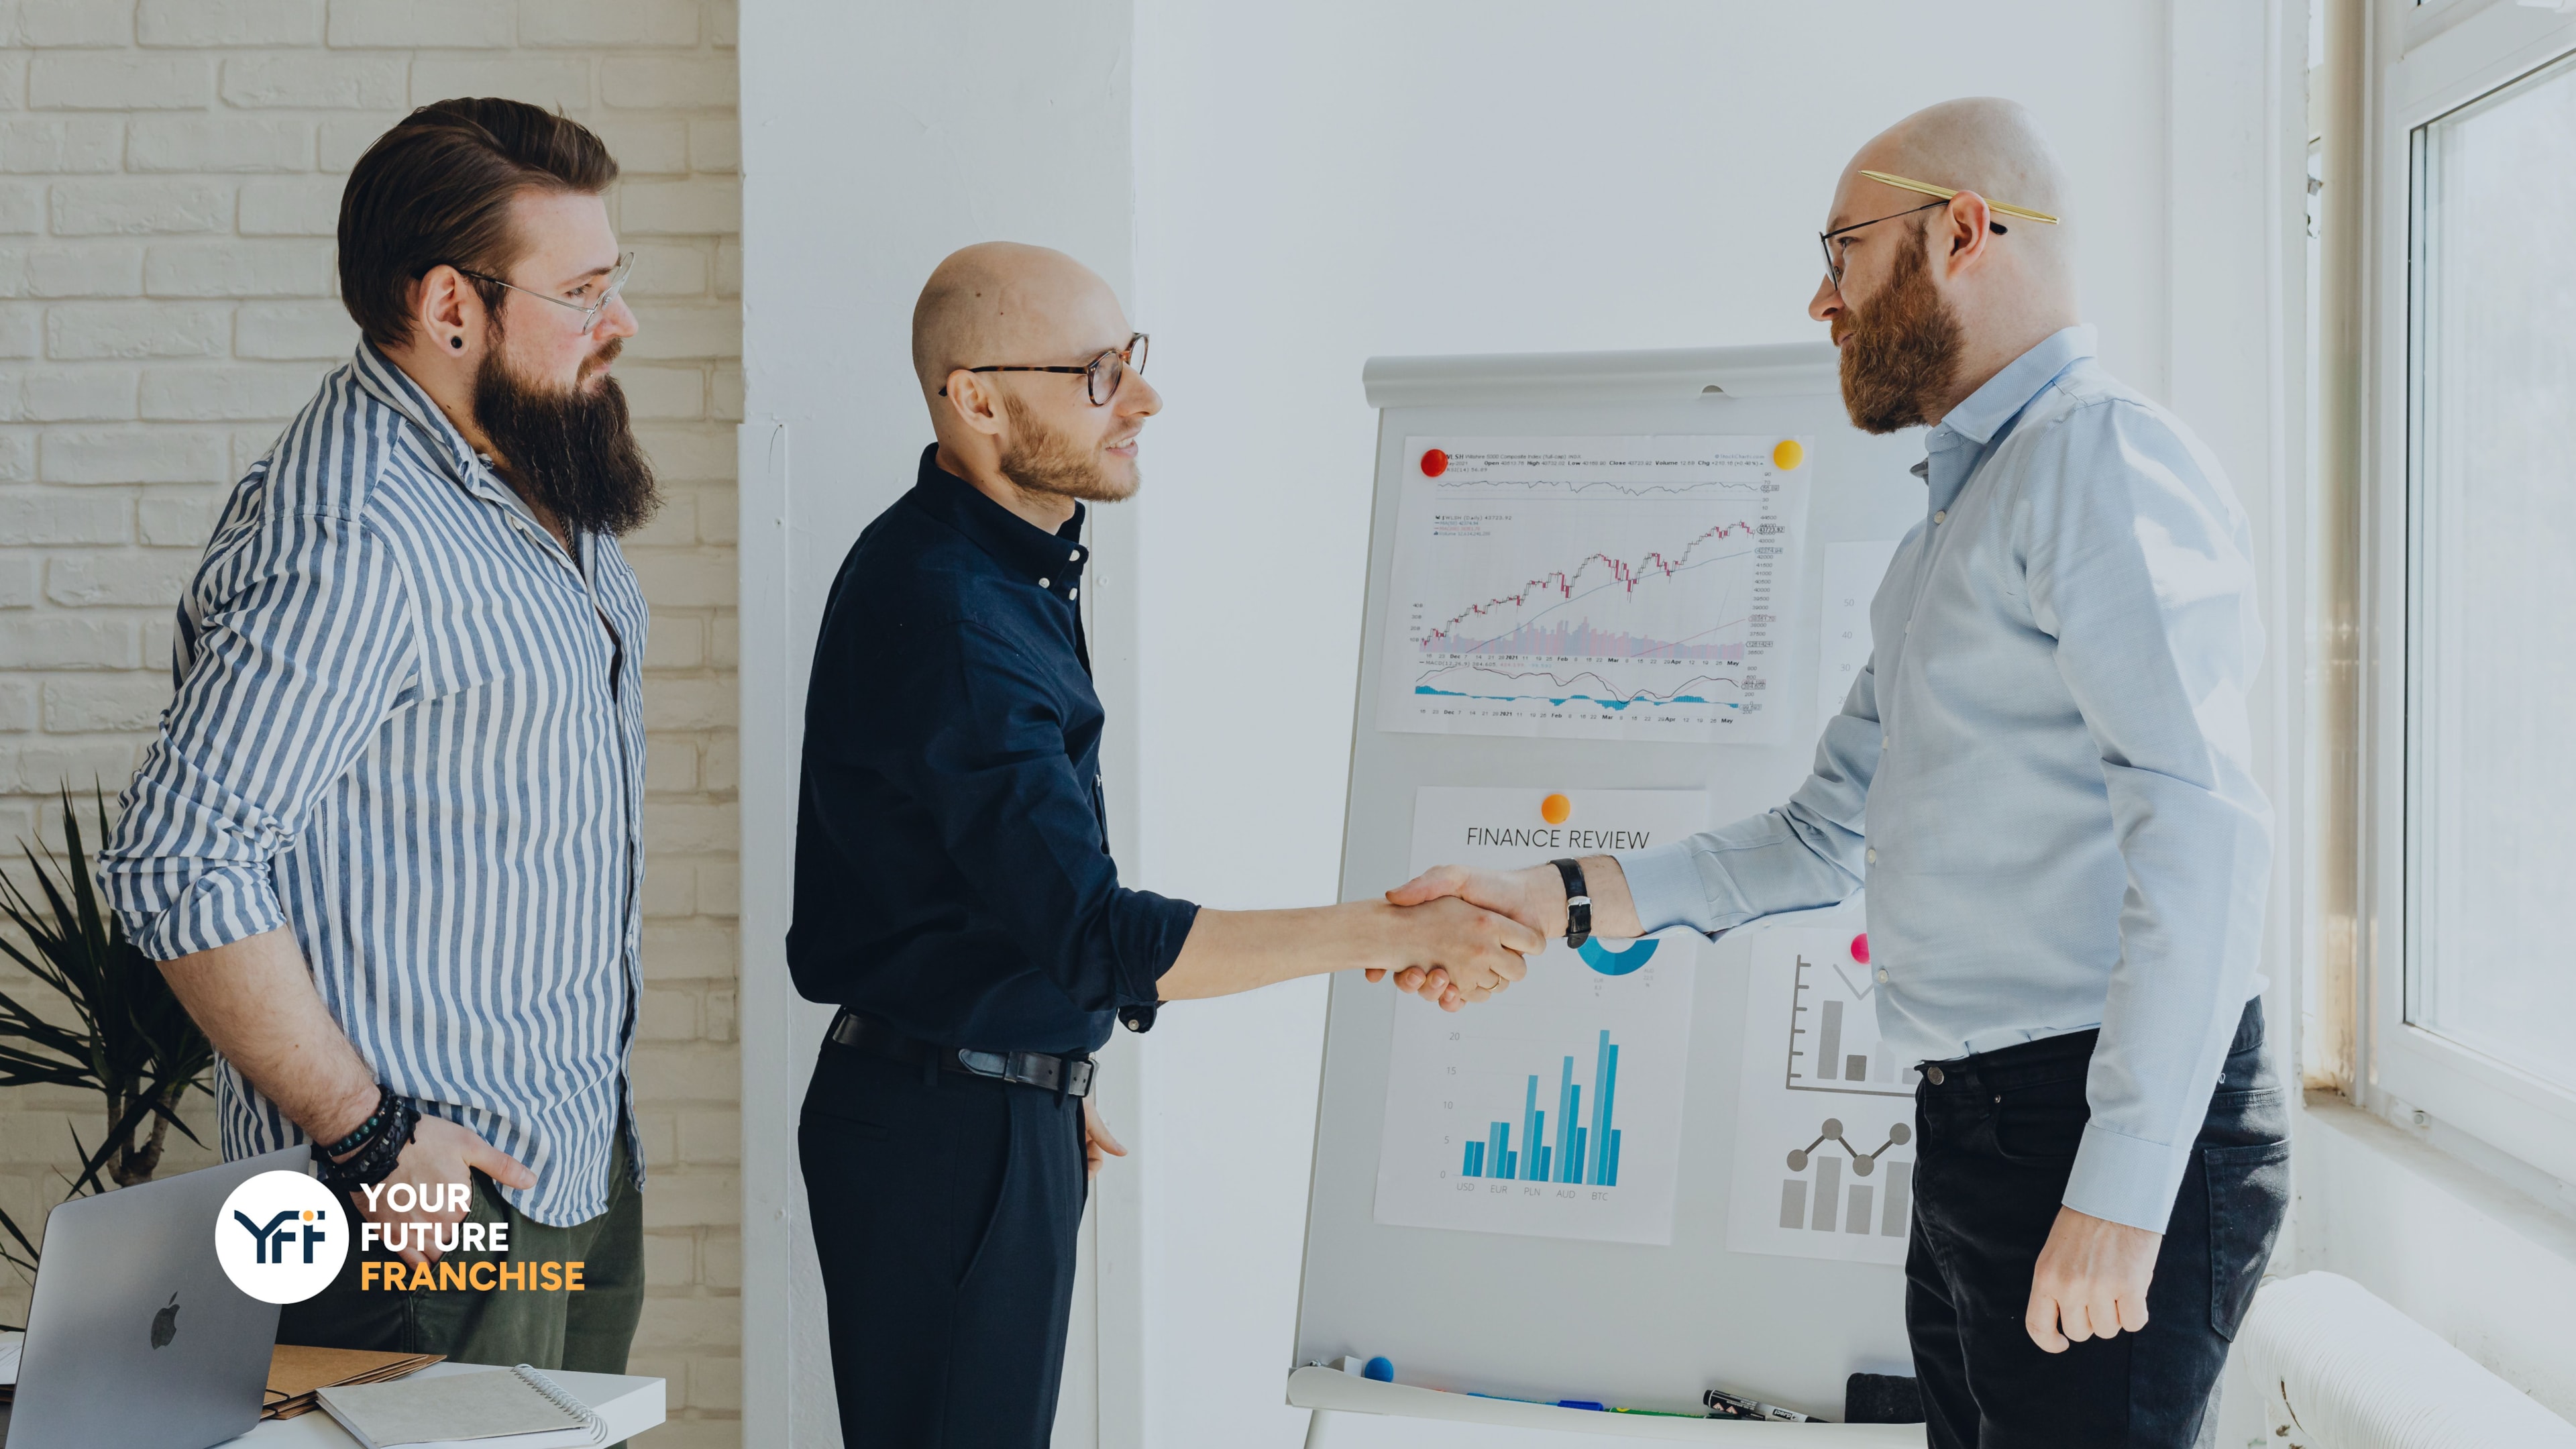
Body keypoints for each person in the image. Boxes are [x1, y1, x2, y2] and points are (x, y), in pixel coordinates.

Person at [1395, 99, 2286, 1447]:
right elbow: (1817, 836)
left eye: (1845, 251)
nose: (1822, 299)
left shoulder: (2095, 463)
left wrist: (2122, 1188)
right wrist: (1558, 898)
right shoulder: (1953, 530)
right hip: (1984, 1130)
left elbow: (2203, 830)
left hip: (2087, 1124)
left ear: (1964, 233)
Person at [792, 241, 1536, 1446]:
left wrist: (1037, 1065)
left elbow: (976, 884)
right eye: (1096, 373)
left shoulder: (1004, 570)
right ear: (977, 398)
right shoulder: (954, 610)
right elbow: (1093, 934)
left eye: (1130, 361)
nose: (1141, 398)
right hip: (945, 1127)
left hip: (980, 1103)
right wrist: (1400, 929)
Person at [101, 99, 659, 1372]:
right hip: (411, 1217)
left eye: (614, 280)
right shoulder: (359, 537)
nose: (616, 324)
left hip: (560, 1160)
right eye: (581, 292)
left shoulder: (531, 458)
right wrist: (371, 1139)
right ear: (452, 309)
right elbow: (179, 860)